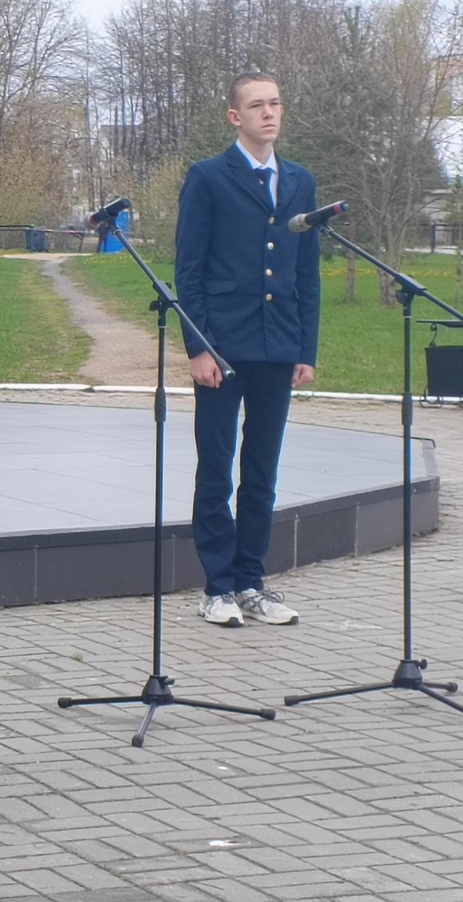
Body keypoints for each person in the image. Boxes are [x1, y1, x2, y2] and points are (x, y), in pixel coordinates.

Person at [174, 72, 320, 628]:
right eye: (257, 105)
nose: (269, 113)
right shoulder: (209, 177)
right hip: (223, 347)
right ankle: (217, 586)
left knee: (262, 469)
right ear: (235, 116)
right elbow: (189, 268)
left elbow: (306, 271)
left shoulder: (300, 181)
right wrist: (199, 347)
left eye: (276, 103)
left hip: (277, 343)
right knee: (216, 466)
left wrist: (304, 346)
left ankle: (252, 580)